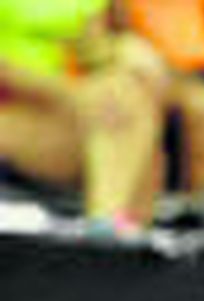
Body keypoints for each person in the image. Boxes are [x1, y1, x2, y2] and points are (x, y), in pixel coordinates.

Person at [0, 3, 168, 229]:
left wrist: (121, 52)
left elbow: (91, 48)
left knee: (126, 99)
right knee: (120, 114)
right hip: (12, 111)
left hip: (57, 117)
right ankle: (108, 230)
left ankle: (107, 228)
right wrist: (69, 94)